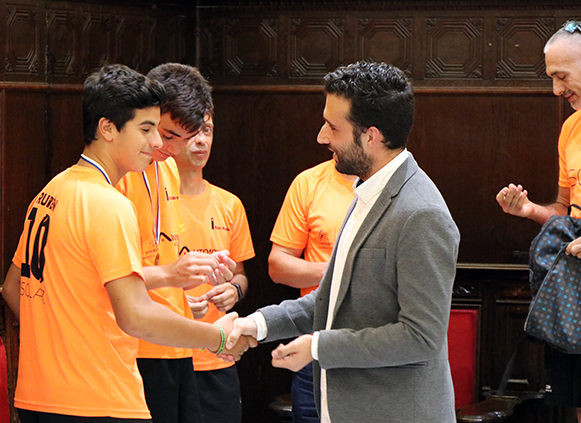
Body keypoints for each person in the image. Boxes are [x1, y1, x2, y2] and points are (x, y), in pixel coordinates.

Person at [1, 64, 253, 423]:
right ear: (107, 128)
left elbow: (15, 288)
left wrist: (62, 340)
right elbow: (134, 315)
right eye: (147, 130)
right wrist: (217, 337)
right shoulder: (108, 202)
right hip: (97, 393)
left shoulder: (52, 190)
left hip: (40, 393)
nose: (158, 144)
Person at [225, 61, 460, 423]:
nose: (322, 137)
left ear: (371, 136)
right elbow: (332, 298)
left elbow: (420, 337)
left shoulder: (421, 214)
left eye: (333, 127)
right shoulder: (367, 190)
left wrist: (319, 346)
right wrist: (257, 324)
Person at [116, 63, 235, 423]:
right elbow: (113, 279)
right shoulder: (119, 176)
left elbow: (162, 253)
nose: (172, 148)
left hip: (176, 344)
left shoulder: (168, 168)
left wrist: (189, 294)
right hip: (136, 346)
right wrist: (170, 275)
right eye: (168, 135)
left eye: (186, 138)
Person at [496, 21, 581, 423]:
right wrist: (530, 210)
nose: (556, 89)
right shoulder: (570, 128)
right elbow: (566, 209)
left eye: (561, 76)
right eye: (551, 78)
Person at [173, 113, 255, 423]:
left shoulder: (229, 204)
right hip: (166, 353)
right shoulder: (153, 204)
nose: (201, 140)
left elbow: (241, 276)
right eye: (192, 132)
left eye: (207, 130)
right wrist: (177, 301)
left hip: (217, 357)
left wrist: (234, 290)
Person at [268, 158, 355, 423]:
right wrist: (336, 271)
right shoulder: (308, 182)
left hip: (371, 339)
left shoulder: (391, 186)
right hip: (314, 338)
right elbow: (278, 266)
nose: (324, 139)